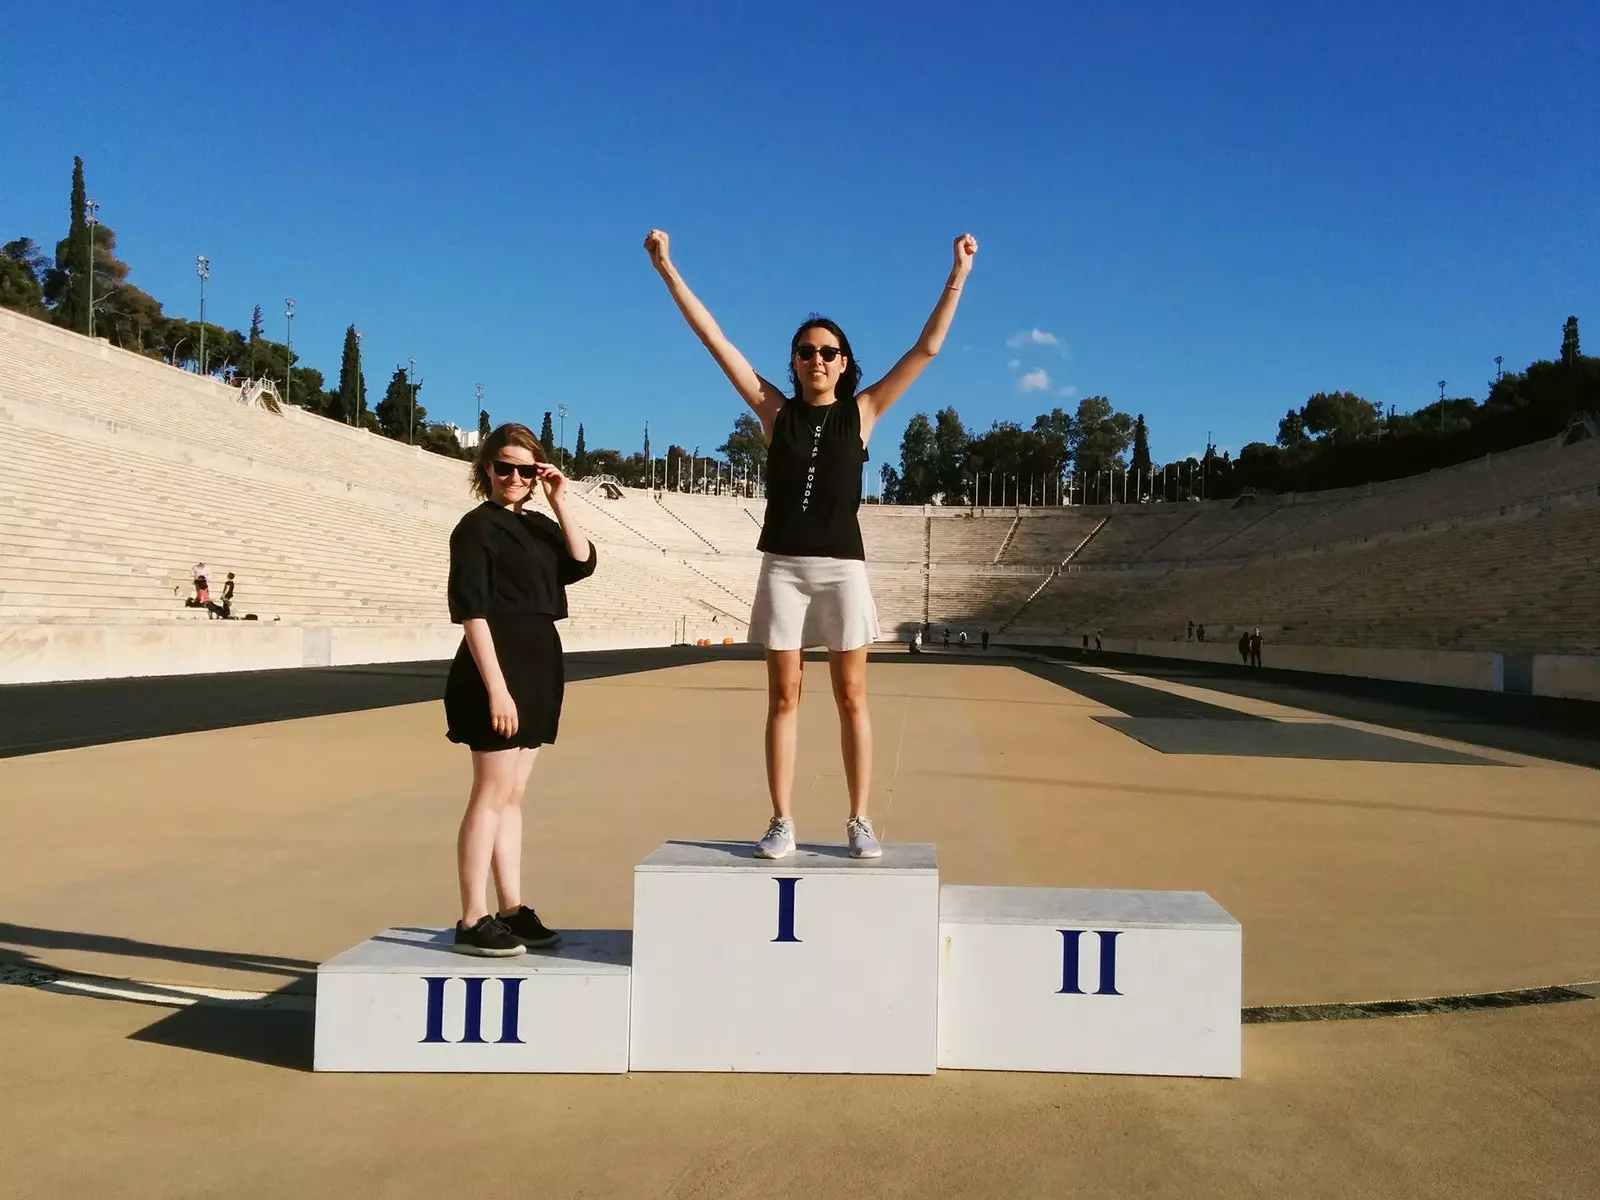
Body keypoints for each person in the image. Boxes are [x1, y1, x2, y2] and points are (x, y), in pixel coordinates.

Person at [648, 227, 977, 860]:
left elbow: (928, 347)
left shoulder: (866, 411)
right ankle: (781, 819)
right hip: (784, 568)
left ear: (845, 363)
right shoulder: (775, 413)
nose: (817, 359)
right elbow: (715, 341)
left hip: (842, 570)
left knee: (852, 695)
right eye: (805, 352)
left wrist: (957, 271)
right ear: (794, 363)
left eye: (828, 351)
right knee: (784, 696)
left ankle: (859, 818)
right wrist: (669, 270)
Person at [443, 423, 596, 956]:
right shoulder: (475, 528)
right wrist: (497, 690)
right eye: (503, 466)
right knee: (489, 794)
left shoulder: (537, 525)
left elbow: (580, 562)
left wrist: (559, 500)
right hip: (496, 666)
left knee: (513, 796)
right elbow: (472, 612)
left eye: (525, 469)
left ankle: (511, 908)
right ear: (486, 468)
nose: (513, 477)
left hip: (539, 664)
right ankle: (471, 916)